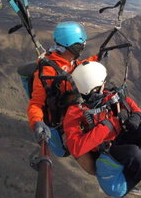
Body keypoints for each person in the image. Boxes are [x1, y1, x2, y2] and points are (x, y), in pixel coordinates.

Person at [63, 61, 141, 198]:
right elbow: (76, 147)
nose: (105, 84)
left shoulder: (105, 95)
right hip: (107, 148)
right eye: (103, 82)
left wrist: (136, 115)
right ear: (96, 87)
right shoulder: (74, 113)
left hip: (121, 135)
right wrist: (106, 126)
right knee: (133, 153)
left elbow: (128, 102)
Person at [27, 21, 99, 166]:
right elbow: (36, 103)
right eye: (80, 45)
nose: (83, 48)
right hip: (63, 121)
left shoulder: (70, 60)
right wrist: (37, 122)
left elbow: (78, 68)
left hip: (75, 111)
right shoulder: (47, 71)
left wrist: (97, 58)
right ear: (72, 47)